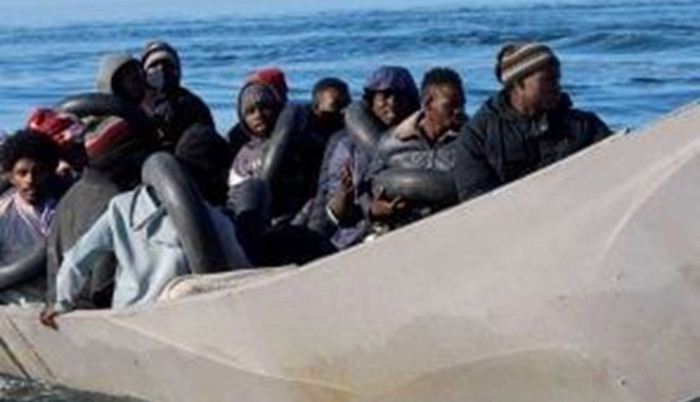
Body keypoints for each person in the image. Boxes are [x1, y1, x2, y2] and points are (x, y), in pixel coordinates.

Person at [41, 125, 249, 327]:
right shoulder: (216, 220)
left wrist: (62, 303)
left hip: (128, 321)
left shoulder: (121, 207)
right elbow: (239, 277)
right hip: (181, 324)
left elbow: (76, 259)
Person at [454, 42, 612, 202]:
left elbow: (615, 167)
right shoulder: (478, 135)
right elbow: (474, 197)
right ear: (519, 84)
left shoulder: (585, 126)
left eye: (557, 79)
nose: (557, 87)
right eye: (548, 80)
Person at [303, 66, 420, 249]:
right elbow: (332, 213)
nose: (392, 103)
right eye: (384, 96)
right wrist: (359, 203)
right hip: (354, 239)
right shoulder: (345, 144)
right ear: (371, 101)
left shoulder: (419, 139)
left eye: (399, 97)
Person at [45, 116, 154, 309]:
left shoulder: (70, 195)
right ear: (124, 157)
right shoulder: (117, 201)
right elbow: (101, 283)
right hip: (92, 313)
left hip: (61, 305)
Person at [368, 67, 466, 232]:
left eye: (462, 104)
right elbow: (372, 183)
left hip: (452, 225)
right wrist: (375, 209)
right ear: (428, 104)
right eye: (452, 105)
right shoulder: (391, 142)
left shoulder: (470, 141)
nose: (459, 111)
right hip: (401, 228)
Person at [0, 130, 60, 265]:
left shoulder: (68, 205)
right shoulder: (3, 214)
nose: (30, 180)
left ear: (50, 172)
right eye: (22, 173)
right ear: (11, 177)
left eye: (38, 172)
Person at [141, 41, 215, 149]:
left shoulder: (193, 105)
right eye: (154, 65)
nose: (161, 69)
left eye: (168, 65)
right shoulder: (136, 104)